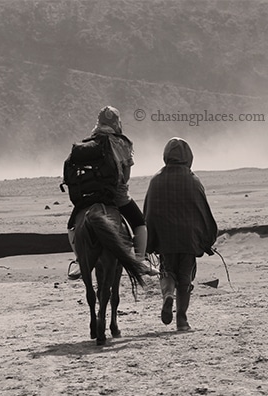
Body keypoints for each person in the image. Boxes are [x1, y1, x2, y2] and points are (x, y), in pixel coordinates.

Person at [67, 106, 159, 279]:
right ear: (117, 122)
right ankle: (141, 260)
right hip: (117, 197)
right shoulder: (122, 143)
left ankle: (80, 260)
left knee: (72, 226)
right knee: (139, 223)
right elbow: (125, 177)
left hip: (90, 197)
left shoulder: (87, 143)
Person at [144, 138, 218, 331]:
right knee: (185, 277)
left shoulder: (156, 180)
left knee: (167, 271)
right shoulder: (193, 180)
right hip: (188, 239)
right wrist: (208, 238)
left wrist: (149, 241)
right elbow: (203, 211)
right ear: (188, 157)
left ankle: (168, 295)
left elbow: (149, 212)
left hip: (165, 239)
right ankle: (182, 320)